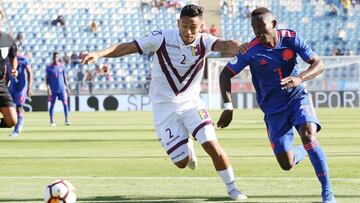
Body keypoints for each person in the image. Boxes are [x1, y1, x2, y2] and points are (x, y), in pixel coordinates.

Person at [82, 4, 247, 200]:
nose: (188, 31)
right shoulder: (161, 37)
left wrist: (238, 46)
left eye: (193, 26)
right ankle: (187, 146)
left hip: (192, 103)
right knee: (182, 162)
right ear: (178, 23)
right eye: (184, 25)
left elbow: (225, 45)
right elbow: (128, 47)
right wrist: (99, 54)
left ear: (201, 26)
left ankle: (233, 188)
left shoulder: (204, 41)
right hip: (164, 106)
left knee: (212, 145)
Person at [217, 7, 336, 203]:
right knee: (286, 163)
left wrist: (299, 78)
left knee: (308, 134)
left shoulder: (291, 38)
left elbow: (318, 63)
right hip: (273, 109)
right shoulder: (251, 50)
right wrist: (228, 107)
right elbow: (225, 74)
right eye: (254, 28)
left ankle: (327, 193)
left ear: (273, 24)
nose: (258, 32)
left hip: (297, 97)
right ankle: (304, 150)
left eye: (261, 27)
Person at [4, 52, 32, 137]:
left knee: (19, 107)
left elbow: (29, 72)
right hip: (11, 87)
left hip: (21, 87)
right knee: (10, 108)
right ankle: (17, 123)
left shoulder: (23, 59)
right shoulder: (7, 59)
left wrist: (29, 87)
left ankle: (17, 130)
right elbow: (7, 74)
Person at [0, 8, 19, 130]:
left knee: (12, 120)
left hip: (0, 84)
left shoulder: (7, 40)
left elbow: (13, 57)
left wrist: (14, 69)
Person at [46, 52, 70, 126]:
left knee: (65, 104)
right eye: (54, 57)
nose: (55, 58)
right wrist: (48, 88)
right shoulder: (49, 67)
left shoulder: (62, 66)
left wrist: (67, 88)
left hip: (62, 89)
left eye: (56, 57)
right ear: (52, 58)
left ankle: (67, 120)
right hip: (53, 90)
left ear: (58, 58)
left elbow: (65, 78)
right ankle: (52, 121)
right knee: (52, 105)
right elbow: (47, 79)